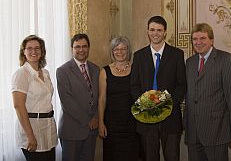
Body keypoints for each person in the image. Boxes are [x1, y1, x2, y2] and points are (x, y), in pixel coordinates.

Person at [130, 15, 187, 161]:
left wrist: (166, 104)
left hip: (170, 117)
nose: (155, 33)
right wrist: (145, 104)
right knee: (150, 157)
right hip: (146, 117)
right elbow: (134, 85)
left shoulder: (177, 54)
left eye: (159, 30)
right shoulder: (138, 56)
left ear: (165, 32)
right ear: (147, 31)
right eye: (152, 30)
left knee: (172, 157)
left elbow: (182, 85)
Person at [184, 23, 231, 161]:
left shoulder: (226, 60)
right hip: (193, 131)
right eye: (195, 39)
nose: (198, 42)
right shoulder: (189, 62)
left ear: (211, 40)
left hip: (216, 130)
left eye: (202, 38)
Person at [11, 35, 57, 161]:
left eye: (37, 48)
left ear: (42, 52)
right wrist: (30, 136)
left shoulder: (45, 73)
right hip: (31, 129)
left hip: (48, 128)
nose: (34, 51)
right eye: (29, 48)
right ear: (23, 52)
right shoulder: (21, 74)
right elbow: (18, 106)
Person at [56, 33, 99, 161]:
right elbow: (67, 102)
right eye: (77, 47)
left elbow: (99, 97)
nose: (81, 50)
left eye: (84, 46)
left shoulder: (96, 69)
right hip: (71, 131)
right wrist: (88, 121)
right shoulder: (62, 71)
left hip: (91, 132)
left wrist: (96, 118)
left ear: (89, 48)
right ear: (72, 49)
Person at [98, 36, 139, 161]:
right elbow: (102, 99)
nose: (120, 52)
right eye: (116, 49)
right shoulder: (104, 71)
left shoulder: (136, 69)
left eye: (123, 49)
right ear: (112, 51)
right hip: (111, 125)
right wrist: (101, 122)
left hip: (132, 124)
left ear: (128, 51)